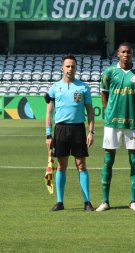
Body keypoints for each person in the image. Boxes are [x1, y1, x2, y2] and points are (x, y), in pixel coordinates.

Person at [96, 42, 135, 212]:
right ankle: (105, 201)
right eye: (123, 52)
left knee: (134, 161)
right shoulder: (109, 72)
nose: (126, 54)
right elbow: (104, 95)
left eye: (129, 52)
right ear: (118, 54)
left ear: (132, 54)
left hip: (133, 124)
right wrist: (110, 112)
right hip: (112, 123)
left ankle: (133, 201)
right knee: (108, 161)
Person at [45, 54, 95, 211]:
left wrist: (91, 131)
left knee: (81, 165)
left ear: (76, 68)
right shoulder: (54, 88)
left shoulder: (83, 87)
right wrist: (48, 134)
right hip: (60, 129)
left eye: (73, 66)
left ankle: (87, 202)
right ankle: (60, 202)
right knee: (61, 165)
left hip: (78, 129)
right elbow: (48, 113)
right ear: (62, 68)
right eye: (67, 66)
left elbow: (90, 111)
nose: (70, 69)